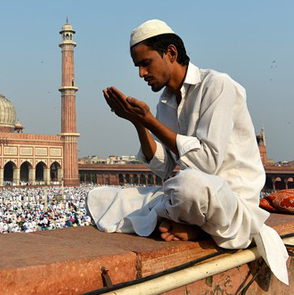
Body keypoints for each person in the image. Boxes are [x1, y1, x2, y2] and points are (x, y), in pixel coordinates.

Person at [87, 19, 289, 285]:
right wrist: (139, 124)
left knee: (188, 185)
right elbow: (165, 167)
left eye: (146, 63)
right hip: (192, 194)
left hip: (227, 197)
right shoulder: (165, 104)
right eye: (137, 66)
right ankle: (190, 225)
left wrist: (150, 122)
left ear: (171, 53)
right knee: (102, 198)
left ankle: (195, 230)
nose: (141, 73)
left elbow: (207, 161)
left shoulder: (217, 86)